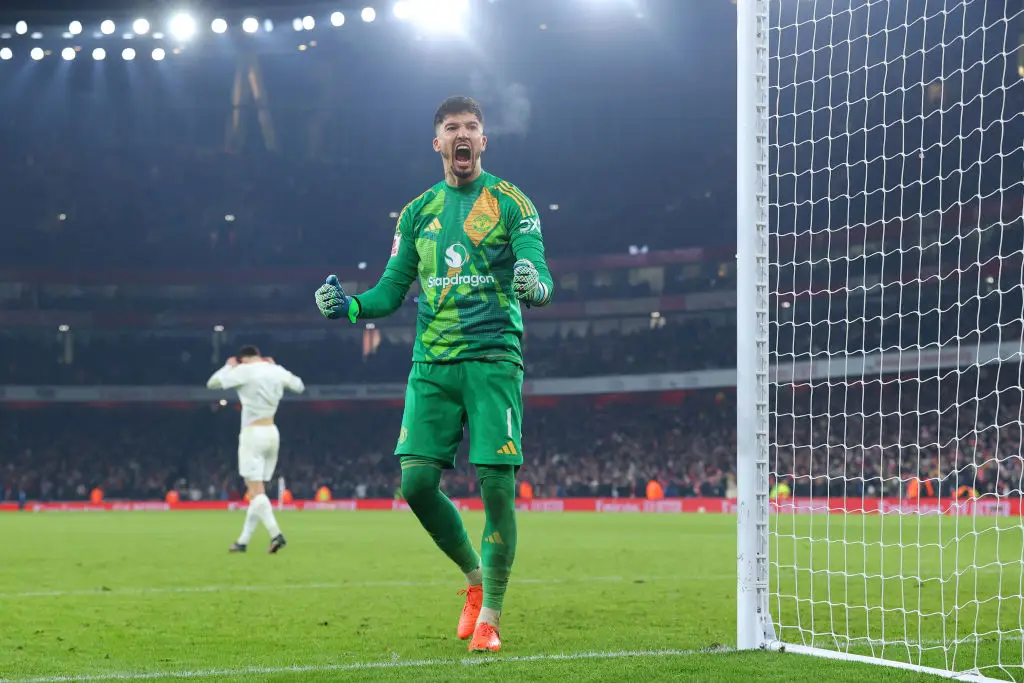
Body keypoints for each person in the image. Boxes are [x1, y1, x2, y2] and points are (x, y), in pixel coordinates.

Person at [314, 96, 553, 653]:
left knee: (497, 488)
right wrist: (350, 307)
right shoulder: (417, 212)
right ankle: (474, 577)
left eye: (471, 127)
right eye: (452, 127)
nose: (461, 134)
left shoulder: (511, 202)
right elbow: (391, 289)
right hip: (431, 365)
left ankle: (491, 616)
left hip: (493, 360)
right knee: (417, 485)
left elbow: (538, 272)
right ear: (438, 143)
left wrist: (534, 287)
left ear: (483, 141)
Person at [206, 345, 305, 554]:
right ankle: (243, 541)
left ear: (243, 358)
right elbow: (299, 386)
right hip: (272, 432)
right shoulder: (274, 370)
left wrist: (229, 367)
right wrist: (277, 366)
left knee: (254, 490)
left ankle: (276, 534)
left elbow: (212, 383)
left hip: (253, 434)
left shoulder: (244, 370)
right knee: (258, 492)